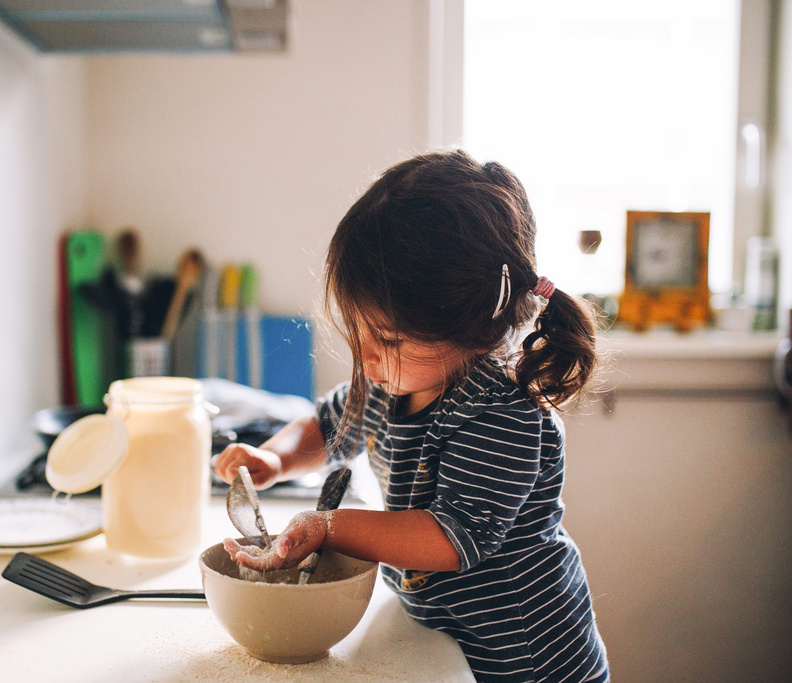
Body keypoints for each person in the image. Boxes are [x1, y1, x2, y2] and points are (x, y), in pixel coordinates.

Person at [214, 149, 609, 682]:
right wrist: (274, 459)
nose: (366, 357)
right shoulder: (391, 383)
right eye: (359, 331)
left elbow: (450, 537)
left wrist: (327, 527)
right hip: (444, 638)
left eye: (388, 339)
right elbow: (328, 426)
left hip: (526, 657)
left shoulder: (500, 412)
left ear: (476, 329)